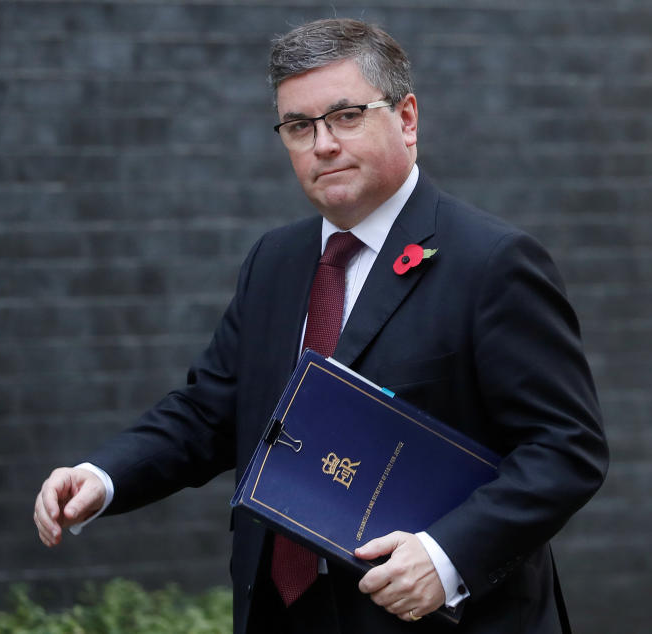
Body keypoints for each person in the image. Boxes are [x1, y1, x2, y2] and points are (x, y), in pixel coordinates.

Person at [33, 18, 608, 634]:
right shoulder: (274, 262)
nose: (323, 144)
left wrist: (446, 556)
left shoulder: (491, 262)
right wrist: (102, 476)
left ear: (407, 119)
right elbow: (212, 411)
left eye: (346, 116)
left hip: (436, 616)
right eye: (299, 127)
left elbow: (565, 448)